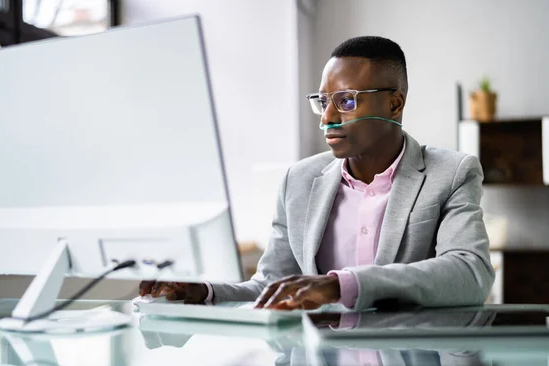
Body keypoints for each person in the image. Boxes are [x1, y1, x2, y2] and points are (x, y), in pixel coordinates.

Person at [139, 36, 494, 311]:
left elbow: (469, 274)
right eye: (324, 102)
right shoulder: (299, 180)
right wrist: (206, 291)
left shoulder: (450, 173)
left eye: (347, 101)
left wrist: (341, 285)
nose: (328, 118)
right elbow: (273, 285)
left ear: (394, 103)